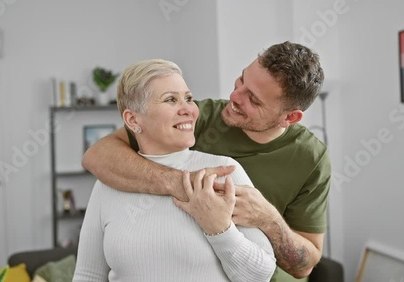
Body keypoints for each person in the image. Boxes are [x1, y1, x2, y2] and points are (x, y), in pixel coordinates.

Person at [82, 41, 330, 281]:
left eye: (253, 100)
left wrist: (267, 218)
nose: (234, 96)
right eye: (241, 80)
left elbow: (304, 266)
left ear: (290, 117)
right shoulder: (199, 117)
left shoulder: (310, 158)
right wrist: (188, 185)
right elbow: (98, 155)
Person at [73, 59, 277, 282]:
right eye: (170, 99)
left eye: (188, 98)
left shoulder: (224, 171)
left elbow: (260, 276)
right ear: (133, 120)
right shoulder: (108, 185)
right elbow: (88, 275)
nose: (188, 109)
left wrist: (219, 229)